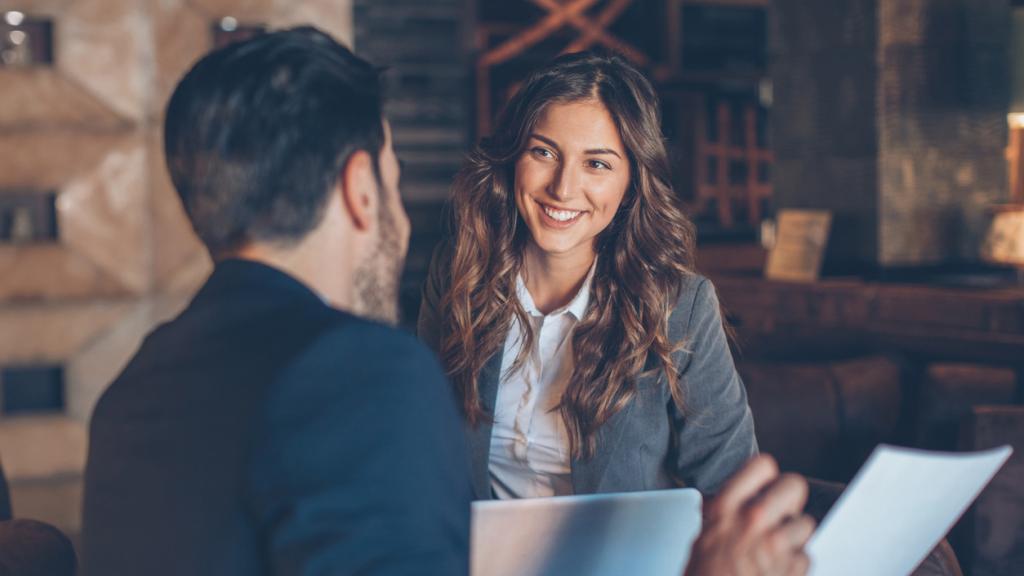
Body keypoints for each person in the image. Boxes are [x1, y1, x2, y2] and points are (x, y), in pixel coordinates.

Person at [81, 27, 470, 575]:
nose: (401, 223)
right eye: (393, 184)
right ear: (360, 189)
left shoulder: (131, 390)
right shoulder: (363, 373)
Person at [418, 50, 757, 502]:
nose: (562, 187)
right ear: (512, 157)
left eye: (596, 164)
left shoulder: (680, 306)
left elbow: (733, 490)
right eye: (543, 152)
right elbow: (418, 447)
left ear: (632, 182)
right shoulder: (458, 274)